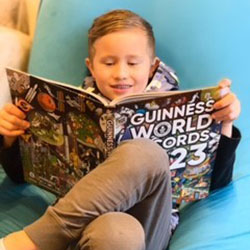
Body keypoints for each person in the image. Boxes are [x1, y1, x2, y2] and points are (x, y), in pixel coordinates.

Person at [0, 9, 241, 250]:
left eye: (133, 63)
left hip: (149, 229)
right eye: (108, 63)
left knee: (146, 153)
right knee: (116, 232)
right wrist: (11, 136)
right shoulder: (67, 106)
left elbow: (215, 183)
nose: (121, 74)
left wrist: (225, 122)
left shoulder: (183, 107)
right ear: (91, 67)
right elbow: (20, 176)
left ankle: (31, 242)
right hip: (86, 232)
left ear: (152, 66)